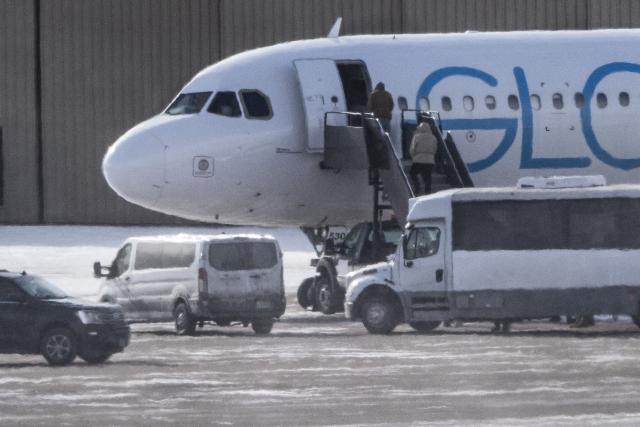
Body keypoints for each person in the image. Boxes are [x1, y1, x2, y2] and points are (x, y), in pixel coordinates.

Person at [409, 121, 438, 195]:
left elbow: (412, 149)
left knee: (412, 174)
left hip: (418, 159)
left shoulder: (417, 136)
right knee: (428, 177)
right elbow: (435, 149)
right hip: (430, 160)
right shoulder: (433, 138)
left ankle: (417, 187)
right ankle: (428, 191)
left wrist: (413, 157)